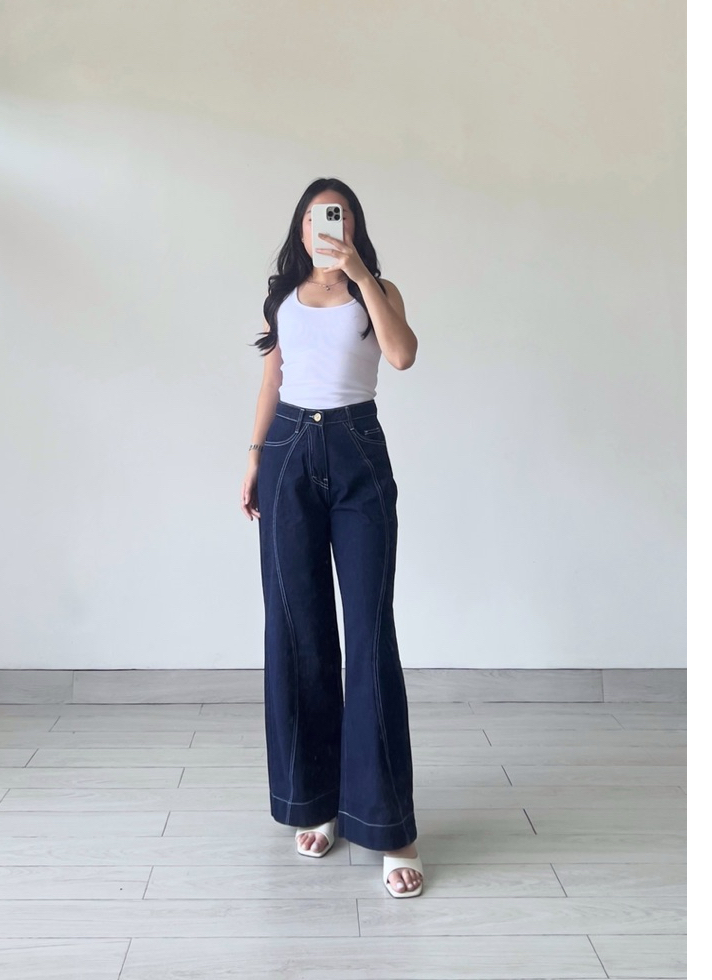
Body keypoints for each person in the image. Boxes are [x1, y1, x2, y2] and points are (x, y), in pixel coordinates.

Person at [239, 179, 424, 897]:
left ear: (351, 226)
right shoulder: (282, 299)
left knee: (369, 631)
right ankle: (314, 801)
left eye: (337, 216)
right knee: (299, 630)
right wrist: (254, 459)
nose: (326, 226)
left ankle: (389, 827)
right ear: (300, 226)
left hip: (356, 450)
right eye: (317, 216)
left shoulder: (377, 290)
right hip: (288, 451)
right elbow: (272, 382)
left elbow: (402, 356)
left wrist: (360, 274)